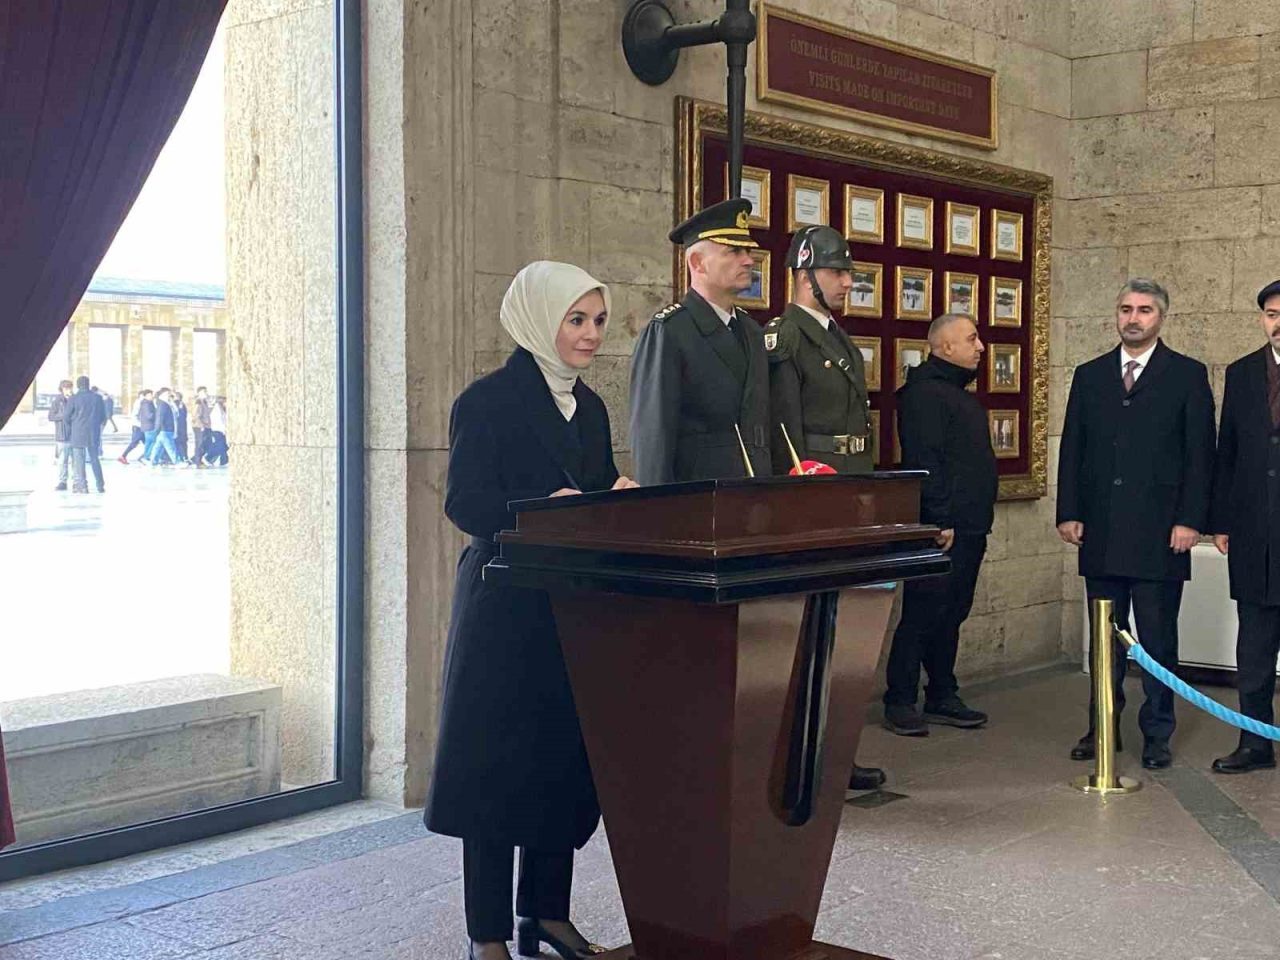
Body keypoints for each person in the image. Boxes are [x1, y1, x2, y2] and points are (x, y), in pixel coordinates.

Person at [424, 262, 637, 960]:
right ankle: (486, 933)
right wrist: (542, 511)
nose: (591, 334)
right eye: (576, 320)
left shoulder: (591, 406)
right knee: (492, 773)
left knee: (557, 763)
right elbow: (465, 503)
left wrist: (618, 495)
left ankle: (545, 916)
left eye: (598, 321)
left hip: (570, 604)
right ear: (538, 319)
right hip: (503, 606)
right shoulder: (486, 401)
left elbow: (593, 487)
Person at [1057, 278, 1215, 770]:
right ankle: (1101, 726)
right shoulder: (1090, 375)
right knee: (1104, 639)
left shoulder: (1186, 374)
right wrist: (1069, 511)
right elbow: (1073, 446)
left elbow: (1200, 455)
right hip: (1101, 531)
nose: (1133, 318)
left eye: (1144, 310)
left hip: (1161, 534)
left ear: (1161, 317)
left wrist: (1191, 520)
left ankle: (1158, 733)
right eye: (1126, 308)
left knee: (1157, 639)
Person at [765, 224, 883, 793]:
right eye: (837, 272)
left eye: (848, 273)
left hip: (849, 491)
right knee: (810, 632)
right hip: (814, 498)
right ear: (804, 273)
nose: (847, 283)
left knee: (843, 630)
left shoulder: (836, 337)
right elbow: (785, 436)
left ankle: (833, 752)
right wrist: (799, 503)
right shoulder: (785, 337)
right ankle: (804, 757)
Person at [882, 313, 996, 736]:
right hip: (944, 528)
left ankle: (942, 693)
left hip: (970, 523)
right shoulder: (924, 395)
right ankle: (899, 698)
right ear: (945, 347)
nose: (980, 347)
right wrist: (939, 518)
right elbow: (925, 460)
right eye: (972, 339)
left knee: (952, 612)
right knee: (923, 611)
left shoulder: (954, 392)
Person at [629, 198, 771, 483]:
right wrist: (656, 505)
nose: (748, 260)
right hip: (699, 497)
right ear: (697, 262)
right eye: (734, 251)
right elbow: (653, 441)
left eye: (747, 250)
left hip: (755, 493)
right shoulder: (670, 332)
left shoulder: (751, 331)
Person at [1207, 279, 1280, 774]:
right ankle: (1255, 743)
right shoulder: (1242, 373)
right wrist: (1220, 521)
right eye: (1272, 314)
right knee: (1254, 647)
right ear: (1262, 320)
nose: (1279, 323)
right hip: (1254, 533)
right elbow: (1227, 451)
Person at [63, 376, 106, 493]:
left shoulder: (74, 398)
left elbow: (66, 416)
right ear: (88, 384)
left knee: (79, 460)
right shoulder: (97, 398)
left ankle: (82, 486)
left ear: (78, 385)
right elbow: (103, 417)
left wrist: (72, 426)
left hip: (78, 432)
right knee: (94, 459)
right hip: (93, 432)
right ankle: (100, 485)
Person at [120, 389, 156, 464]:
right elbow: (135, 415)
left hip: (142, 426)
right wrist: (140, 424)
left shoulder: (144, 402)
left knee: (148, 443)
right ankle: (124, 456)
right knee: (135, 442)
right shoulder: (140, 403)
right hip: (138, 426)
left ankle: (144, 457)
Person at [48, 379, 73, 490]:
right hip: (62, 435)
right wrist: (64, 415)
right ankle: (62, 482)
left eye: (70, 387)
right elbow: (51, 416)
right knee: (63, 460)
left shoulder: (75, 399)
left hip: (74, 434)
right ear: (62, 389)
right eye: (66, 388)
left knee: (76, 460)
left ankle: (77, 481)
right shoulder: (57, 401)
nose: (69, 390)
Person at [149, 388, 180, 467]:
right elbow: (160, 417)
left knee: (158, 447)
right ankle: (177, 462)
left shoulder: (166, 403)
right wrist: (157, 429)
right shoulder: (163, 404)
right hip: (165, 429)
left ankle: (153, 461)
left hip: (165, 429)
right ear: (162, 395)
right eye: (167, 394)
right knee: (171, 447)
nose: (169, 395)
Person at [192, 387, 211, 468]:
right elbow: (196, 415)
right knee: (199, 444)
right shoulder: (198, 402)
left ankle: (197, 459)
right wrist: (201, 425)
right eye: (204, 392)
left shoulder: (205, 402)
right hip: (199, 426)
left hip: (206, 426)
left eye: (206, 391)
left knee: (206, 443)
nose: (206, 393)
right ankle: (198, 462)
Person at [208, 397, 229, 465]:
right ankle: (208, 457)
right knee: (221, 446)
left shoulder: (222, 409)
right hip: (217, 430)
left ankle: (223, 460)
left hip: (221, 430)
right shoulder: (217, 410)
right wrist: (224, 429)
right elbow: (220, 421)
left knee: (223, 446)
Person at [172, 391, 189, 463]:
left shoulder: (177, 404)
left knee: (179, 443)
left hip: (179, 426)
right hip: (182, 426)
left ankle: (182, 457)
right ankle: (184, 456)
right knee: (182, 443)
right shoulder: (180, 404)